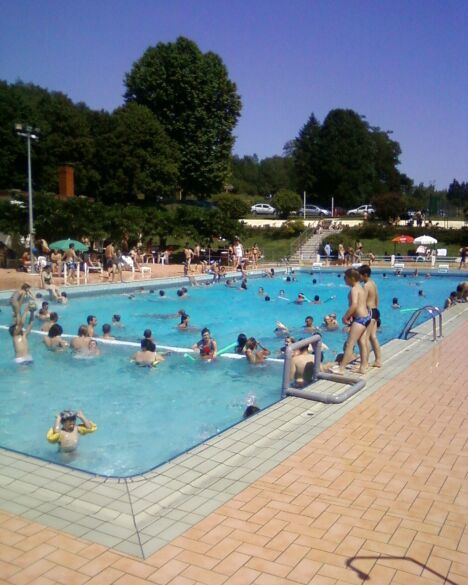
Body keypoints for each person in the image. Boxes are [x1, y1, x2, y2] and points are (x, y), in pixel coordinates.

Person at [338, 268, 370, 375]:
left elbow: (354, 304)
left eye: (345, 278)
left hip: (360, 319)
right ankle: (363, 367)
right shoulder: (361, 287)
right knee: (362, 343)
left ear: (351, 278)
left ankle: (341, 368)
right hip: (366, 317)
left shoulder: (354, 289)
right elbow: (362, 304)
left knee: (349, 344)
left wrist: (345, 317)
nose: (344, 280)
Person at [358, 265, 382, 368]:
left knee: (365, 338)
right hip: (375, 311)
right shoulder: (373, 283)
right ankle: (378, 360)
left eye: (360, 276)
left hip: (370, 312)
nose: (359, 278)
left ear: (365, 275)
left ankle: (365, 363)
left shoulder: (366, 285)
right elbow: (377, 299)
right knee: (373, 337)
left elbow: (362, 302)